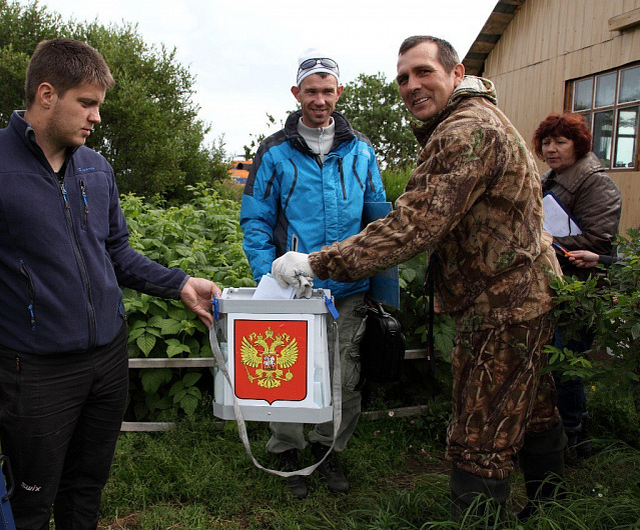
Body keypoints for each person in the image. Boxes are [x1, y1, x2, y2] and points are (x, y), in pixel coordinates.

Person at [0, 38, 221, 529]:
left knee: (86, 491)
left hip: (107, 359)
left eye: (97, 105)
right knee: (31, 503)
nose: (96, 118)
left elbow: (116, 253)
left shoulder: (96, 168)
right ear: (45, 94)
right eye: (87, 103)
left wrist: (179, 282)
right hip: (34, 372)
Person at [271, 36, 567, 521]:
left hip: (499, 305)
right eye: (404, 77)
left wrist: (315, 263)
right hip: (522, 293)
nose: (412, 85)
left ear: (456, 73)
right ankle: (550, 509)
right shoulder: (477, 119)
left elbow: (412, 225)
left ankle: (478, 519)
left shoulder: (464, 132)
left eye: (424, 72)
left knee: (481, 429)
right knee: (532, 405)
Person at [240, 48, 389, 498]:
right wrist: (271, 272)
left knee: (345, 375)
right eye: (311, 91)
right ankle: (287, 448)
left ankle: (330, 450)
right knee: (286, 374)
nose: (319, 100)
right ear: (296, 93)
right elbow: (255, 220)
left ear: (339, 92)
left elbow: (377, 218)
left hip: (349, 287)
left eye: (327, 91)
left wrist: (378, 282)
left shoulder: (361, 149)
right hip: (293, 289)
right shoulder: (274, 151)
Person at [533, 112, 622, 465]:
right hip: (553, 284)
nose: (551, 149)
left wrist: (540, 241)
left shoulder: (596, 184)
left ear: (578, 144)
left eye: (561, 142)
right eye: (546, 142)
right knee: (552, 361)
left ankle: (575, 435)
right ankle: (560, 432)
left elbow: (599, 240)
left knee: (566, 364)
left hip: (581, 288)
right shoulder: (549, 180)